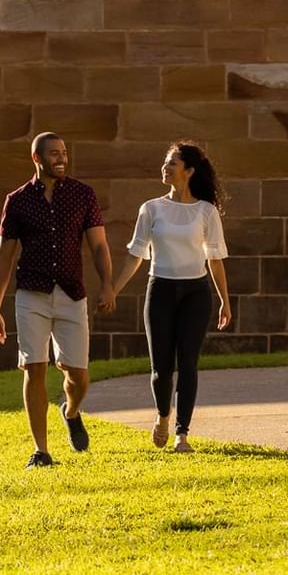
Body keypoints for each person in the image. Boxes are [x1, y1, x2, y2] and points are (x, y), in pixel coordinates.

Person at [0, 132, 115, 468]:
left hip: (72, 293)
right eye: (54, 154)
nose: (61, 159)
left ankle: (71, 411)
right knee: (34, 367)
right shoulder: (16, 201)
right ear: (37, 158)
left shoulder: (82, 195)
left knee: (78, 374)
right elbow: (4, 257)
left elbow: (99, 246)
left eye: (64, 153)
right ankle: (41, 451)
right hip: (32, 293)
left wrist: (108, 285)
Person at [101, 141, 232, 453]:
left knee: (188, 363)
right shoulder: (151, 208)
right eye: (165, 162)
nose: (165, 167)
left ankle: (182, 433)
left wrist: (225, 300)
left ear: (188, 170)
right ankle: (162, 415)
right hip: (159, 289)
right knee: (161, 368)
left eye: (172, 162)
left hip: (195, 294)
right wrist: (113, 288)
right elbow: (135, 255)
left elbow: (214, 259)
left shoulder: (206, 211)